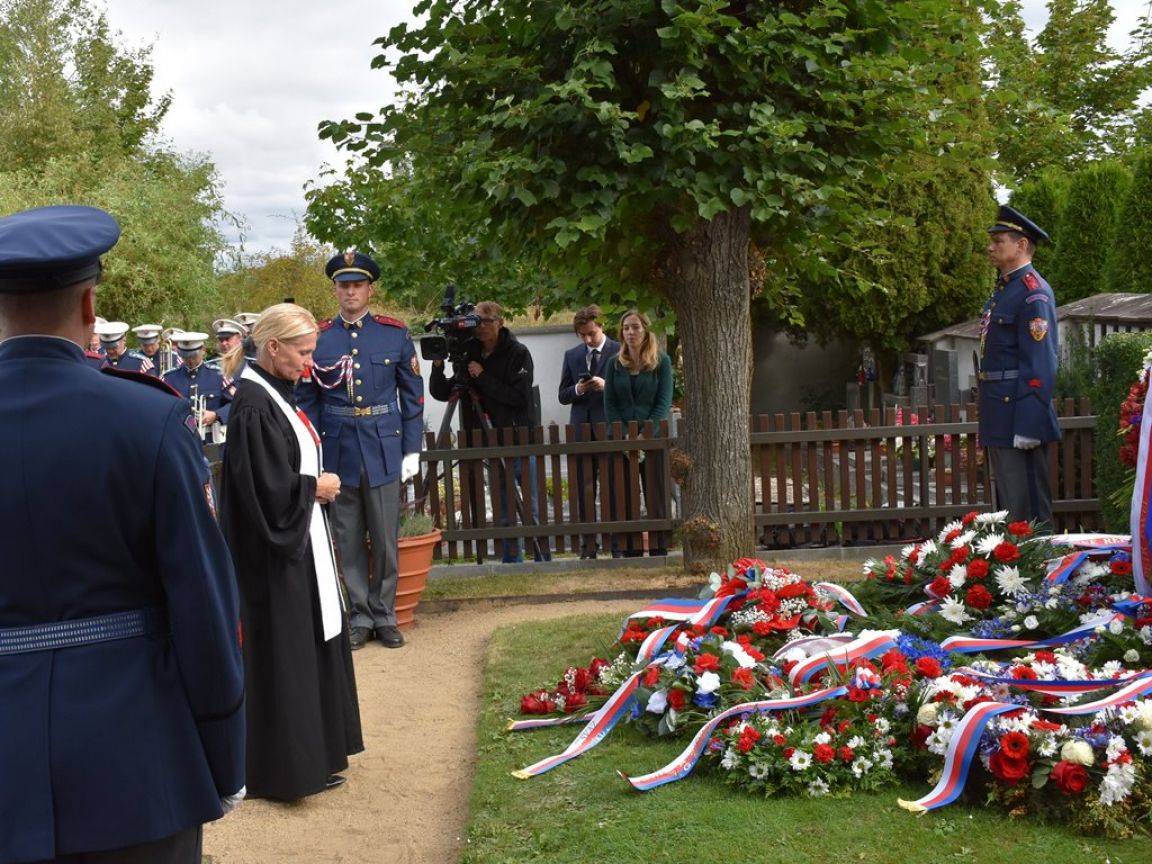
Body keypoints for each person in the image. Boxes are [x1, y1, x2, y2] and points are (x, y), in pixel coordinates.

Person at [0, 204, 244, 863]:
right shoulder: (147, 420)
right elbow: (203, 604)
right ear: (88, 304)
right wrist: (222, 757)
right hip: (136, 763)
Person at [218, 303, 364, 801]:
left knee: (308, 648)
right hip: (272, 560)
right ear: (273, 347)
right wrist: (315, 489)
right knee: (282, 657)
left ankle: (314, 756)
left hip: (299, 545)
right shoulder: (255, 405)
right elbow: (266, 490)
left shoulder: (276, 396)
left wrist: (311, 489)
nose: (308, 363)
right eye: (302, 352)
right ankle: (282, 770)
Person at [297, 252, 424, 650]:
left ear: (370, 289)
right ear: (335, 289)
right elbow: (307, 399)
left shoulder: (394, 334)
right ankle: (359, 616)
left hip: (384, 446)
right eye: (343, 285)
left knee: (385, 539)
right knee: (347, 538)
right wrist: (312, 452)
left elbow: (413, 398)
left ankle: (385, 616)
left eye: (357, 285)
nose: (350, 291)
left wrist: (411, 450)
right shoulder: (319, 337)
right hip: (338, 450)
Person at [429, 301, 550, 563]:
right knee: (504, 508)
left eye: (486, 321)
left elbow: (518, 397)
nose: (481, 327)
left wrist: (482, 376)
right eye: (476, 321)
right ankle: (511, 561)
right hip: (487, 440)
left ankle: (543, 562)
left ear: (500, 322)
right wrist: (437, 365)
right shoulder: (470, 352)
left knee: (530, 506)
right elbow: (444, 392)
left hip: (518, 439)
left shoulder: (518, 352)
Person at [979, 204, 1061, 530]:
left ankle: (1040, 575)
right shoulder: (1007, 290)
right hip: (1001, 411)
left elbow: (1039, 362)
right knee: (1010, 507)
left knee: (1027, 509)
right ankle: (1014, 575)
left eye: (999, 241)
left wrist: (1029, 423)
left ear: (1021, 245)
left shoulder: (1032, 294)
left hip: (1018, 415)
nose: (990, 247)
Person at [604, 309, 673, 557]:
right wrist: (624, 435)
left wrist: (645, 435)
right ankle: (629, 548)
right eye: (626, 328)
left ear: (645, 330)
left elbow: (663, 402)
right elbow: (609, 402)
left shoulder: (661, 361)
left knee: (655, 491)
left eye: (635, 327)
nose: (630, 332)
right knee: (625, 493)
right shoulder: (614, 364)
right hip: (622, 440)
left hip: (652, 439)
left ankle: (659, 547)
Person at [558, 304, 620, 559]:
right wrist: (579, 389)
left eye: (591, 334)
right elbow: (562, 395)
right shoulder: (572, 355)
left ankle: (616, 544)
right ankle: (588, 546)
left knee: (612, 487)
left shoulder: (618, 350)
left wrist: (607, 386)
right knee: (583, 489)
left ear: (601, 326)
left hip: (608, 426)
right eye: (582, 335)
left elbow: (628, 392)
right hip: (581, 427)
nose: (587, 339)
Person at [163, 331, 229, 443]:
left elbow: (235, 404)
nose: (190, 360)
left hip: (211, 439)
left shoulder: (220, 375)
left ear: (203, 350)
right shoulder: (168, 377)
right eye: (185, 356)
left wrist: (216, 415)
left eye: (193, 356)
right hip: (179, 440)